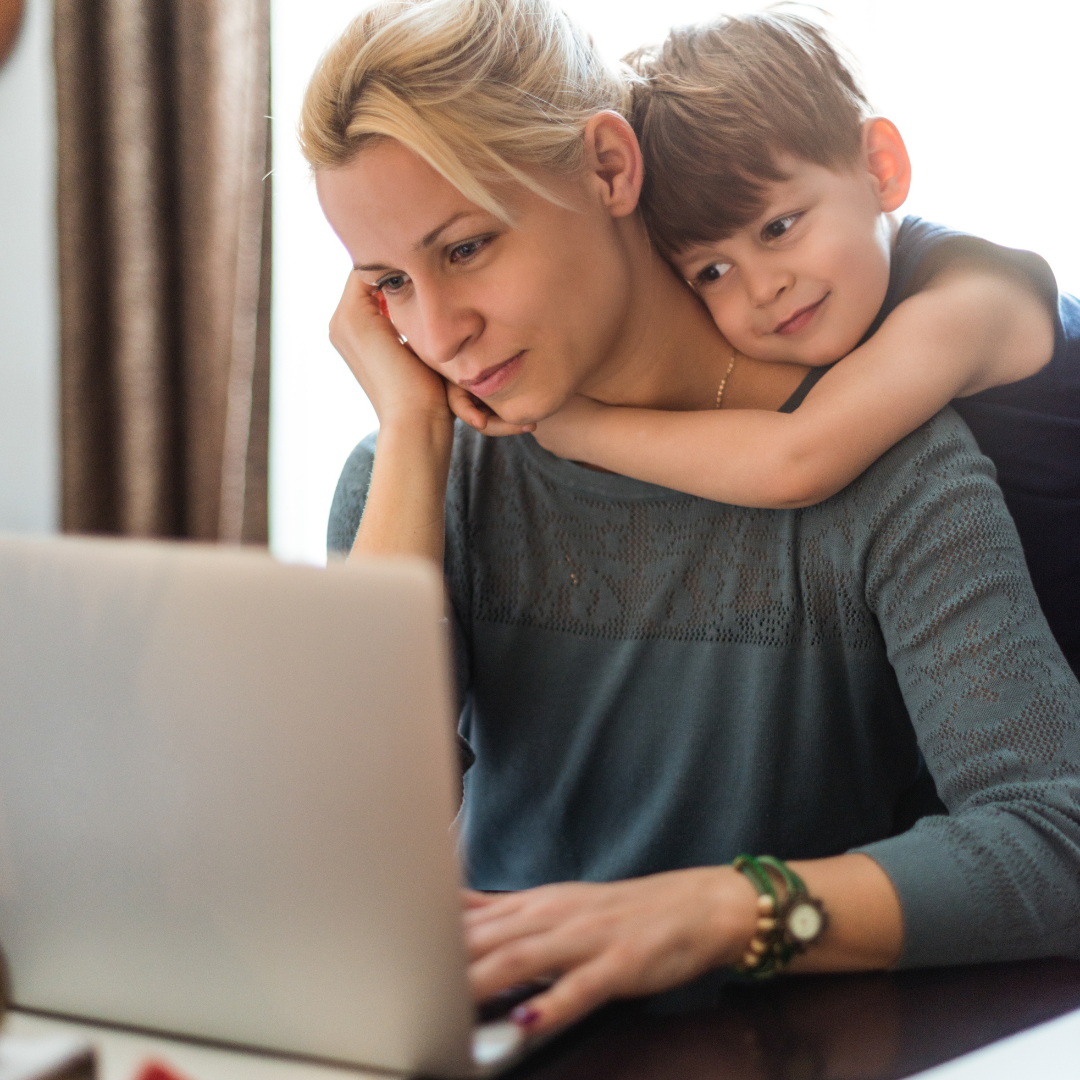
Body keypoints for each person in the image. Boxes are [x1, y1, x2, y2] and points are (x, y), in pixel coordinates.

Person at [304, 0, 1080, 1038]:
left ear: (610, 169)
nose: (440, 333)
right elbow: (338, 853)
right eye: (389, 284)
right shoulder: (412, 475)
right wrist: (406, 435)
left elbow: (1054, 838)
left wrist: (721, 909)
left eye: (468, 248)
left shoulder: (891, 462)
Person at [471, 12, 1080, 673]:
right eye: (712, 270)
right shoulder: (835, 310)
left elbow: (797, 462)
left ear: (881, 168)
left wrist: (571, 428)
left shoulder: (971, 299)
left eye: (779, 227)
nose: (762, 289)